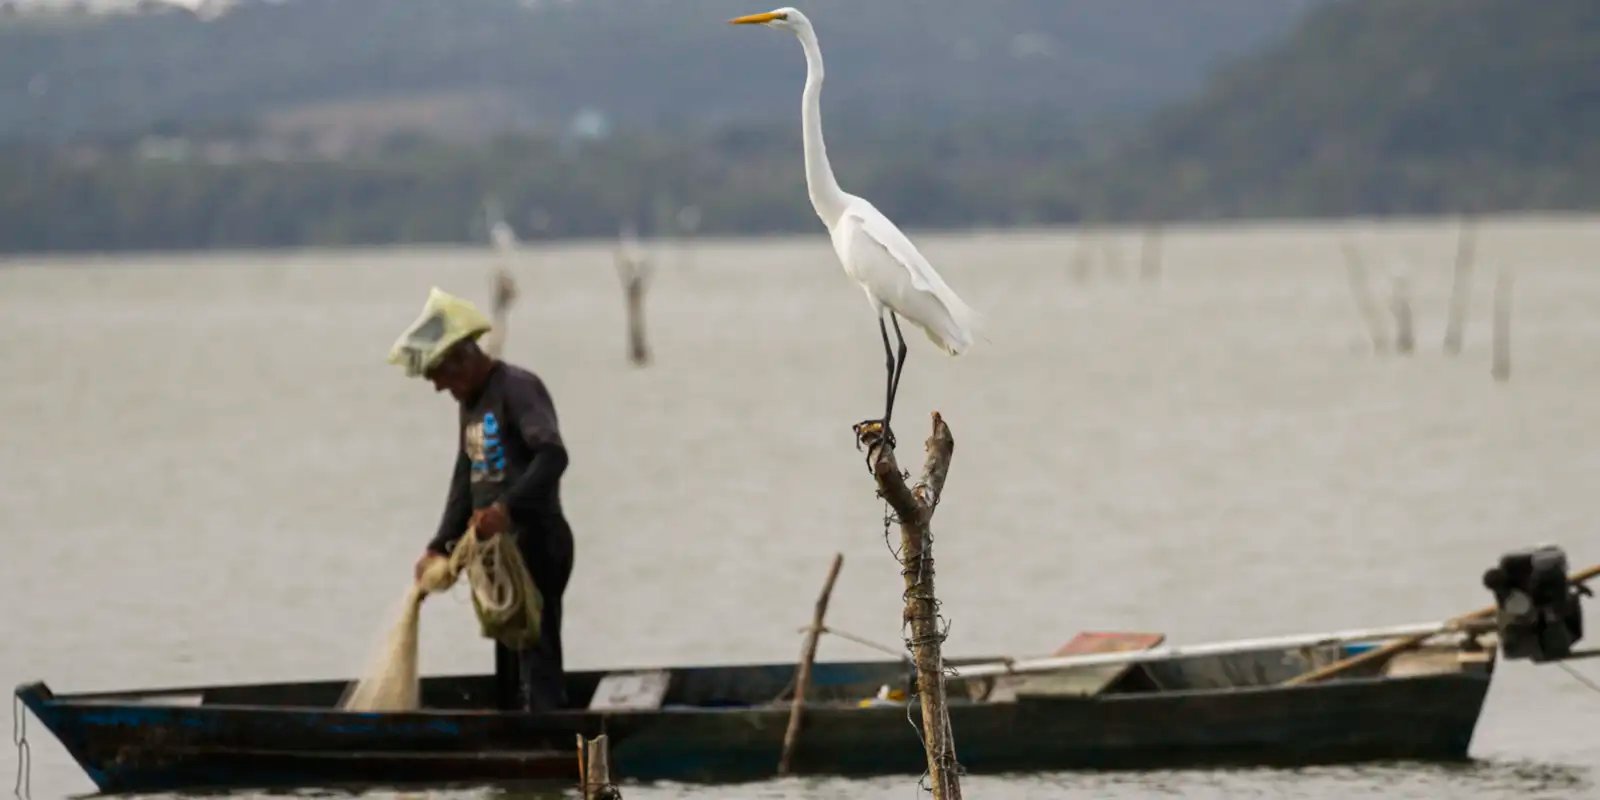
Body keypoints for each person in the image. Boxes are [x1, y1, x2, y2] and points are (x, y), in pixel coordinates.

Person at [388, 287, 575, 712]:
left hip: (538, 541)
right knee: (507, 652)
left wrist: (506, 509)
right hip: (495, 552)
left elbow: (552, 456)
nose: (439, 387)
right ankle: (510, 729)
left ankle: (549, 732)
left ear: (463, 358)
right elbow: (465, 477)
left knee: (537, 648)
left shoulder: (517, 389)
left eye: (440, 375)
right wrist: (440, 545)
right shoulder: (470, 403)